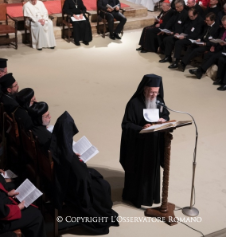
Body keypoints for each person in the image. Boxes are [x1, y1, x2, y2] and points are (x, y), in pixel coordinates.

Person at [29, 105, 119, 234]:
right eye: (47, 116)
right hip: (66, 184)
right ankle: (101, 217)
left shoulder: (39, 133)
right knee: (102, 185)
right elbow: (81, 179)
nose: (50, 117)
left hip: (54, 175)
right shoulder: (59, 149)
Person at [120, 74, 169, 208]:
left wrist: (163, 120)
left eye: (156, 92)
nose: (154, 95)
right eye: (152, 92)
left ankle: (151, 196)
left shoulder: (159, 102)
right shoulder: (134, 104)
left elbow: (165, 115)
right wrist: (141, 127)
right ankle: (136, 198)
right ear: (145, 89)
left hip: (154, 145)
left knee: (151, 172)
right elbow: (126, 124)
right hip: (138, 146)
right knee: (138, 173)